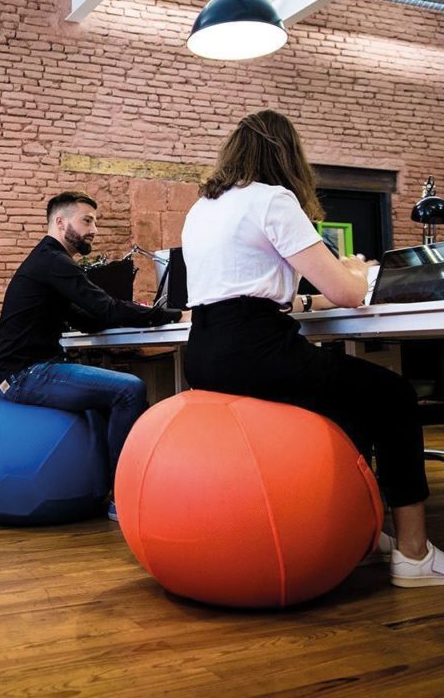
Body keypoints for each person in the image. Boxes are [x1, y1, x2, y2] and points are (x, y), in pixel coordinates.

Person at [182, 109, 444, 588]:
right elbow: (346, 294)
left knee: (348, 397)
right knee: (392, 395)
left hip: (206, 353)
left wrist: (329, 284)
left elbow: (262, 291)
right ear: (287, 155)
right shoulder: (274, 199)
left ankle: (364, 531)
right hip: (257, 352)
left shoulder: (204, 207)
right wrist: (358, 272)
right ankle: (413, 553)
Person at [0, 190, 182, 520]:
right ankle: (122, 498)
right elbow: (105, 308)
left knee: (119, 394)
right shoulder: (52, 260)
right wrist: (172, 315)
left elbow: (89, 317)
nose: (93, 230)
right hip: (25, 376)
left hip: (30, 370)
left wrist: (133, 314)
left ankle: (127, 485)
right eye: (87, 221)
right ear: (60, 221)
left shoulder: (48, 261)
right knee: (129, 389)